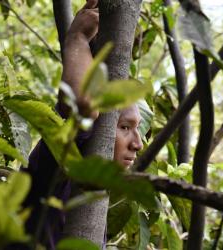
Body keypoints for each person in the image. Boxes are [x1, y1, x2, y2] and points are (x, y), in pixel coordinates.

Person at [23, 0, 143, 248]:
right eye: (125, 127)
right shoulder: (59, 157)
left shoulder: (95, 198)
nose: (138, 144)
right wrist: (77, 38)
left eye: (137, 128)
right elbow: (83, 104)